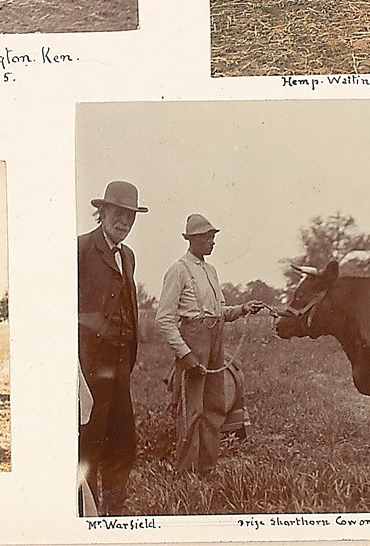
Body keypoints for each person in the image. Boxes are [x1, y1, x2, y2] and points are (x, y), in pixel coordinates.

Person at [156, 215, 263, 475]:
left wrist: (243, 309)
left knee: (214, 407)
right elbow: (164, 319)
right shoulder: (178, 270)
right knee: (191, 411)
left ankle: (206, 469)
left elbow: (220, 311)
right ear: (192, 239)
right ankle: (185, 473)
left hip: (216, 339)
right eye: (206, 237)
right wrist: (186, 354)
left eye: (213, 236)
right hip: (193, 341)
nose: (212, 241)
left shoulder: (211, 271)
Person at [77, 180, 146, 515]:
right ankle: (87, 518)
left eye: (131, 216)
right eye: (119, 213)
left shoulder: (128, 256)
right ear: (102, 211)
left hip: (120, 365)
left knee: (122, 441)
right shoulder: (80, 249)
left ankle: (114, 514)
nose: (125, 222)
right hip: (89, 365)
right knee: (89, 442)